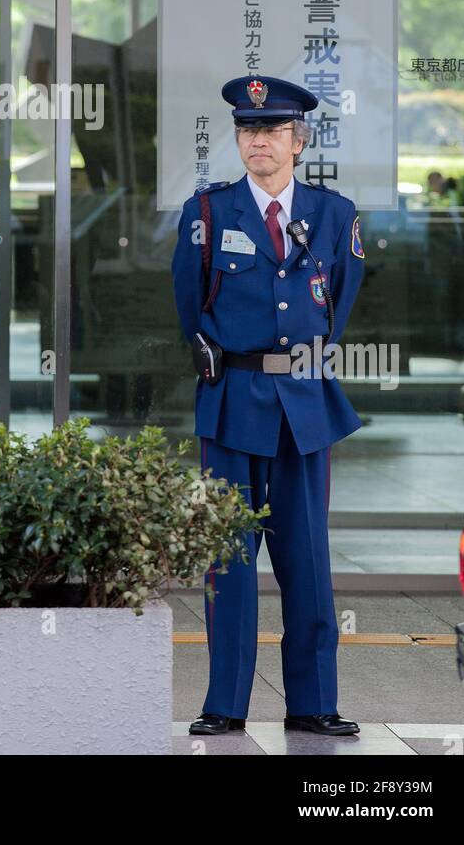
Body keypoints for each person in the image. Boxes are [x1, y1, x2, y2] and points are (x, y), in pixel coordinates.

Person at [171, 75, 366, 738]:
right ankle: (224, 702)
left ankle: (313, 702)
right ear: (238, 139)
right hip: (232, 401)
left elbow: (338, 301)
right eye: (250, 130)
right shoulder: (207, 214)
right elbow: (188, 305)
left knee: (307, 561)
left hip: (306, 404)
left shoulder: (335, 216)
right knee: (228, 559)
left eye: (274, 130)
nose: (260, 141)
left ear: (298, 139)